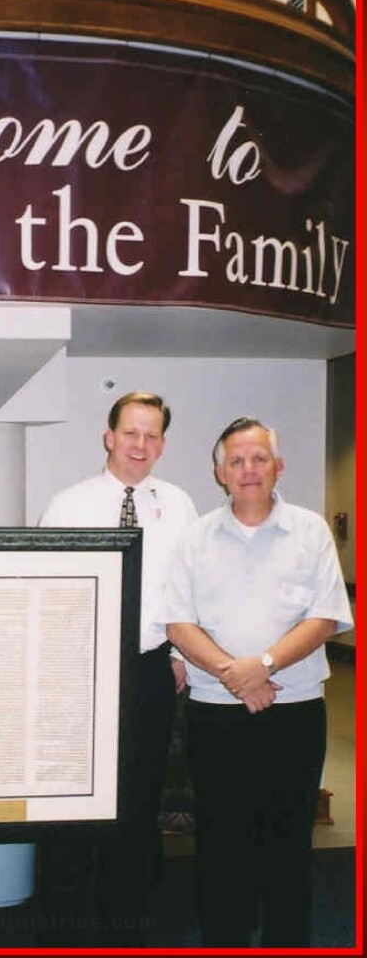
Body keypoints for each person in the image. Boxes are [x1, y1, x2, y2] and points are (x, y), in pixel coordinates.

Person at [165, 416, 352, 948]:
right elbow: (178, 622)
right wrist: (236, 675)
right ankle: (224, 939)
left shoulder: (310, 531)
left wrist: (263, 665)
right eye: (237, 460)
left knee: (288, 838)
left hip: (294, 709)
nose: (248, 469)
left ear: (279, 467)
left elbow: (325, 617)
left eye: (259, 458)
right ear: (220, 472)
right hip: (215, 711)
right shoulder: (194, 537)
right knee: (221, 837)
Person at [37, 390, 198, 945]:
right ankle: (61, 933)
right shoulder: (67, 505)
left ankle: (124, 932)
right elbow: (44, 590)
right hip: (78, 673)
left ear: (163, 444)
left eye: (152, 435)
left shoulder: (180, 506)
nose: (140, 444)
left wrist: (179, 656)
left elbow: (189, 590)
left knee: (138, 803)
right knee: (69, 803)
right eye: (130, 432)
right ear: (109, 437)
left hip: (149, 671)